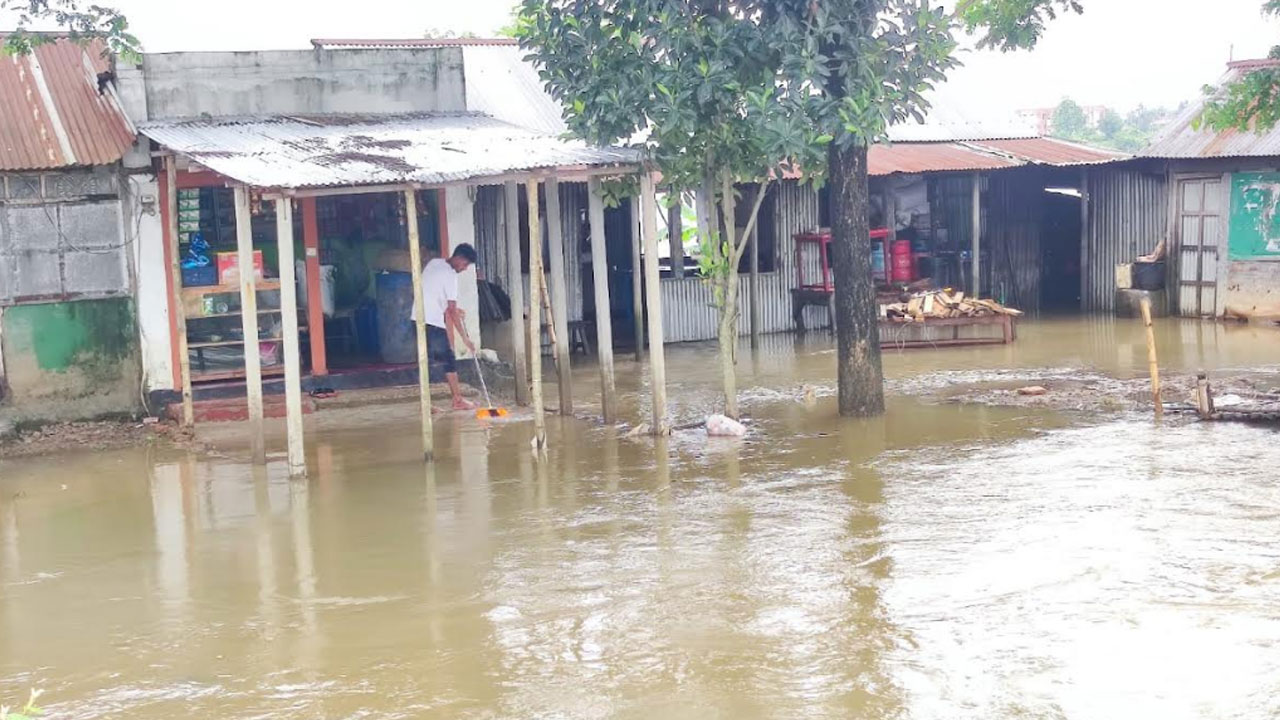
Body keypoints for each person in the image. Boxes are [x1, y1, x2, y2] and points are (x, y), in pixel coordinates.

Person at [411, 243, 479, 410]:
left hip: (416, 318)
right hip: (431, 321)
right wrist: (466, 339)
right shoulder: (451, 276)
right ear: (459, 258)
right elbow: (451, 310)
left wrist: (455, 309)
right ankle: (457, 400)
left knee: (425, 362)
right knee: (449, 359)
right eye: (465, 265)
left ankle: (426, 404)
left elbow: (434, 293)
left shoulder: (435, 263)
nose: (464, 269)